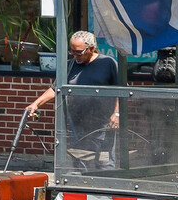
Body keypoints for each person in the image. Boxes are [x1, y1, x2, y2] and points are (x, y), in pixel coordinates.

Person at [26, 30, 120, 169]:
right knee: (80, 166)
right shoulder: (70, 65)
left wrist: (117, 114)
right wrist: (35, 104)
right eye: (72, 51)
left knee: (103, 166)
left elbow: (120, 90)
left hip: (103, 126)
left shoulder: (108, 63)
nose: (75, 55)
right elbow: (55, 89)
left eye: (79, 52)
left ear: (91, 48)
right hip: (77, 126)